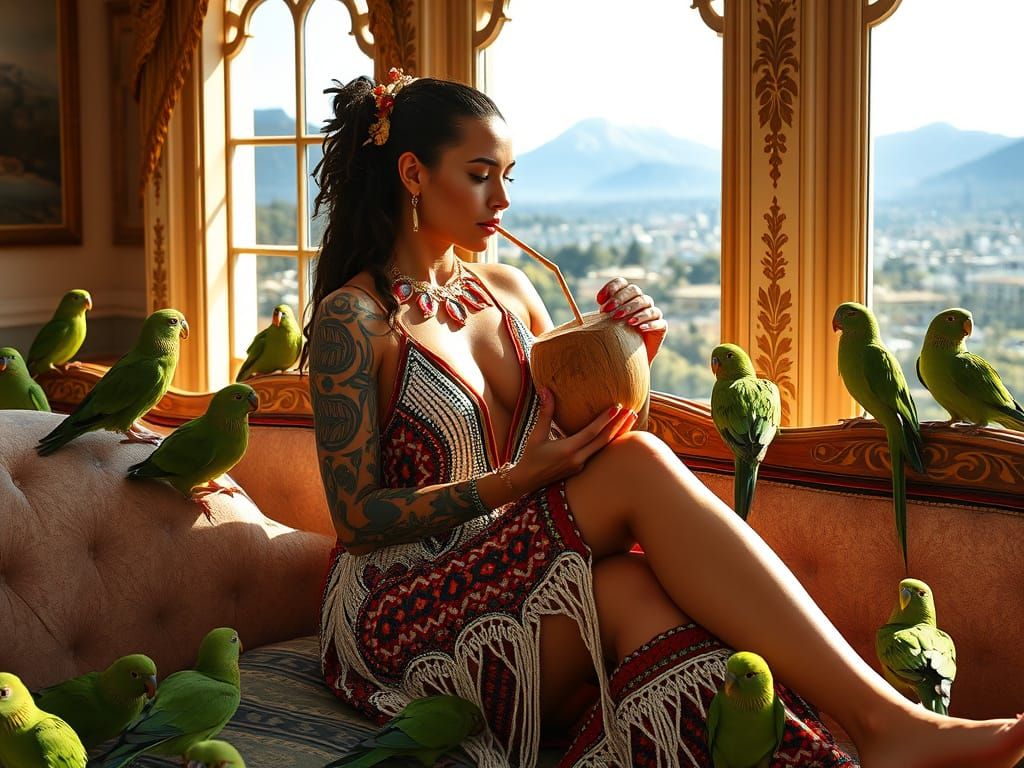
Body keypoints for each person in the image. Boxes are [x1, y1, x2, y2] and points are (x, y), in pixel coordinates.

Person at [305, 69, 1024, 768]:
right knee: (639, 468)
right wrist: (513, 481)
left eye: (509, 176)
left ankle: (853, 746)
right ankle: (889, 721)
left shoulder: (511, 290)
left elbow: (579, 438)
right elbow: (356, 519)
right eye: (480, 174)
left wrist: (629, 356)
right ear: (413, 173)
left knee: (634, 593)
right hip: (398, 612)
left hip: (515, 572)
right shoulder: (355, 320)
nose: (503, 199)